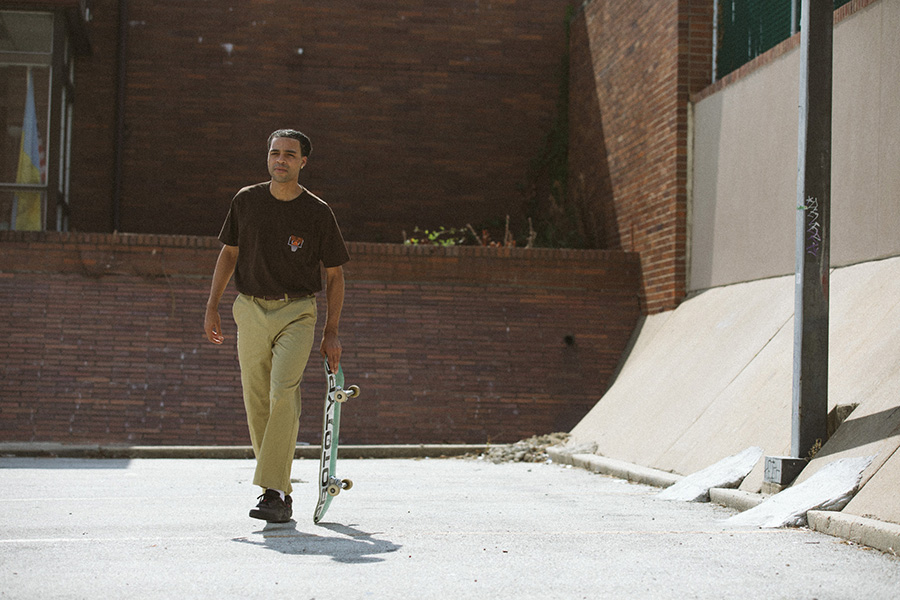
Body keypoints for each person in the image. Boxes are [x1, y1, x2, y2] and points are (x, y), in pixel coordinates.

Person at [204, 129, 350, 523]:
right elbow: (229, 253)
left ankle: (272, 491)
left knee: (283, 392)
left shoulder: (318, 212)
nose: (280, 160)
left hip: (297, 311)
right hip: (250, 308)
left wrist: (331, 331)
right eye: (274, 153)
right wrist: (212, 305)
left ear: (303, 161)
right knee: (256, 398)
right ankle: (279, 491)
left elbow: (334, 275)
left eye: (289, 154)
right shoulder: (246, 201)